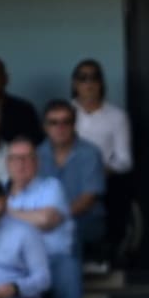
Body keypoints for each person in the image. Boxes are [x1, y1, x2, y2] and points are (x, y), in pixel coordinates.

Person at [0, 138, 83, 298]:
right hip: (13, 264)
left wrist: (5, 212)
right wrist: (28, 215)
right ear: (7, 163)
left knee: (67, 267)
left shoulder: (50, 186)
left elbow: (46, 220)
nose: (21, 164)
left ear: (37, 162)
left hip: (50, 258)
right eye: (16, 158)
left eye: (27, 158)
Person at [70, 59, 134, 261]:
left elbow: (125, 160)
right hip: (68, 177)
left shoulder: (117, 116)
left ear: (101, 83)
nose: (88, 83)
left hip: (103, 177)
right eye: (83, 78)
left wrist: (102, 170)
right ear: (74, 83)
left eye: (94, 77)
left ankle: (110, 252)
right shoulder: (65, 113)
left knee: (118, 192)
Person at [37, 99, 106, 260]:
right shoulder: (35, 155)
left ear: (74, 124)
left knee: (68, 235)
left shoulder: (90, 153)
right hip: (44, 220)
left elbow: (88, 198)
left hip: (84, 219)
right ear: (45, 127)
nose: (60, 128)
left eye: (66, 122)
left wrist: (57, 217)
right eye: (53, 123)